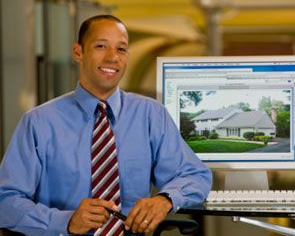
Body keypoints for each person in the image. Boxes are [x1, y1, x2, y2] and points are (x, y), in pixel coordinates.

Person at [0, 14, 212, 235]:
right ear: (78, 52)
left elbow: (195, 175)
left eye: (121, 49)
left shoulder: (151, 115)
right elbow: (5, 202)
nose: (113, 57)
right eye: (101, 46)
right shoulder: (38, 123)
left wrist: (165, 199)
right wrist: (66, 221)